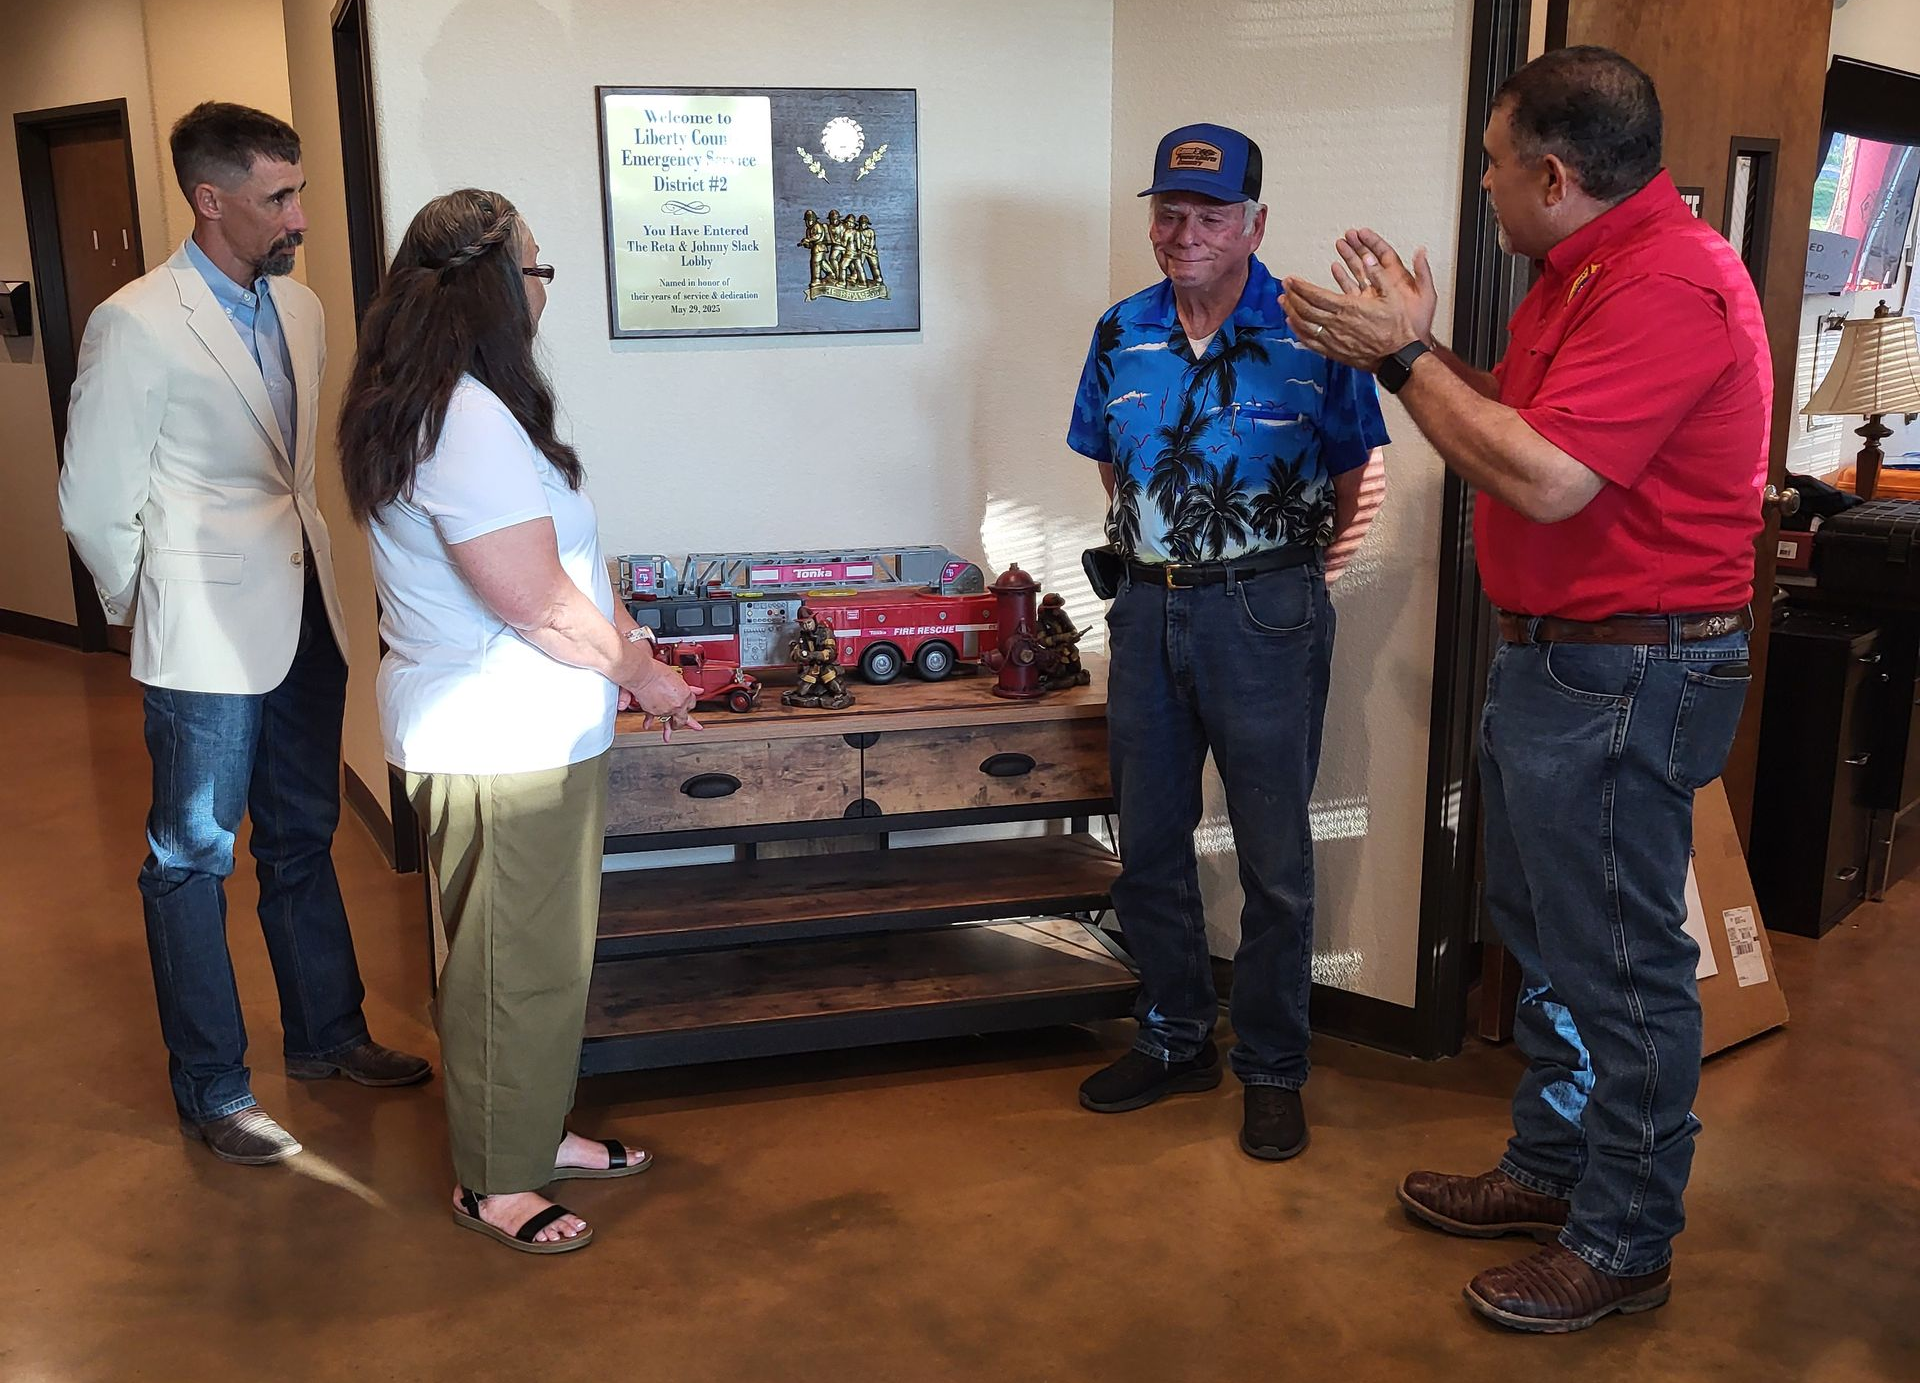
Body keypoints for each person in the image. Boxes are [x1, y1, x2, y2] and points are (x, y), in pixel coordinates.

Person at [1284, 46, 1770, 1332]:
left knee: (1618, 961)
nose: (1485, 188)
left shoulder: (1669, 285)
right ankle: (1555, 1172)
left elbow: (1550, 478)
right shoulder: (1584, 273)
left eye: (1493, 167)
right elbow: (1532, 422)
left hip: (1631, 666)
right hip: (1565, 661)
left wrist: (1401, 365)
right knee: (1550, 938)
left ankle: (1625, 1241)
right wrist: (1430, 350)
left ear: (1553, 175)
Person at [59, 102, 430, 1168]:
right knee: (189, 861)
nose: (300, 216)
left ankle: (328, 1036)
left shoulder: (304, 311)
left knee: (303, 838)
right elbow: (92, 503)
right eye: (279, 197)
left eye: (300, 190)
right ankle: (215, 1089)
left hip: (304, 611)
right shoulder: (136, 321)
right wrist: (152, 603)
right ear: (209, 200)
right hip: (204, 634)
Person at [338, 188, 700, 1255]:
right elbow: (536, 601)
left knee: (535, 954)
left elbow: (572, 564)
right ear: (495, 289)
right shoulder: (461, 419)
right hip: (502, 738)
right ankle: (496, 1178)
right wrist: (643, 675)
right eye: (535, 268)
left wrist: (631, 648)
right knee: (512, 963)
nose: (544, 286)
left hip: (532, 729)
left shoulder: (466, 405)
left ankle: (531, 1131)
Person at [1067, 123, 1388, 1160]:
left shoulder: (1316, 334)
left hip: (1268, 614)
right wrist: (1166, 570)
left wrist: (1279, 583)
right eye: (1169, 212)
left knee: (1274, 859)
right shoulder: (1120, 332)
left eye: (1211, 215)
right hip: (1149, 608)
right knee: (1148, 846)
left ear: (1256, 222)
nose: (1185, 232)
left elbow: (1358, 486)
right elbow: (1116, 473)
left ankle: (1273, 1066)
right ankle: (1173, 1039)